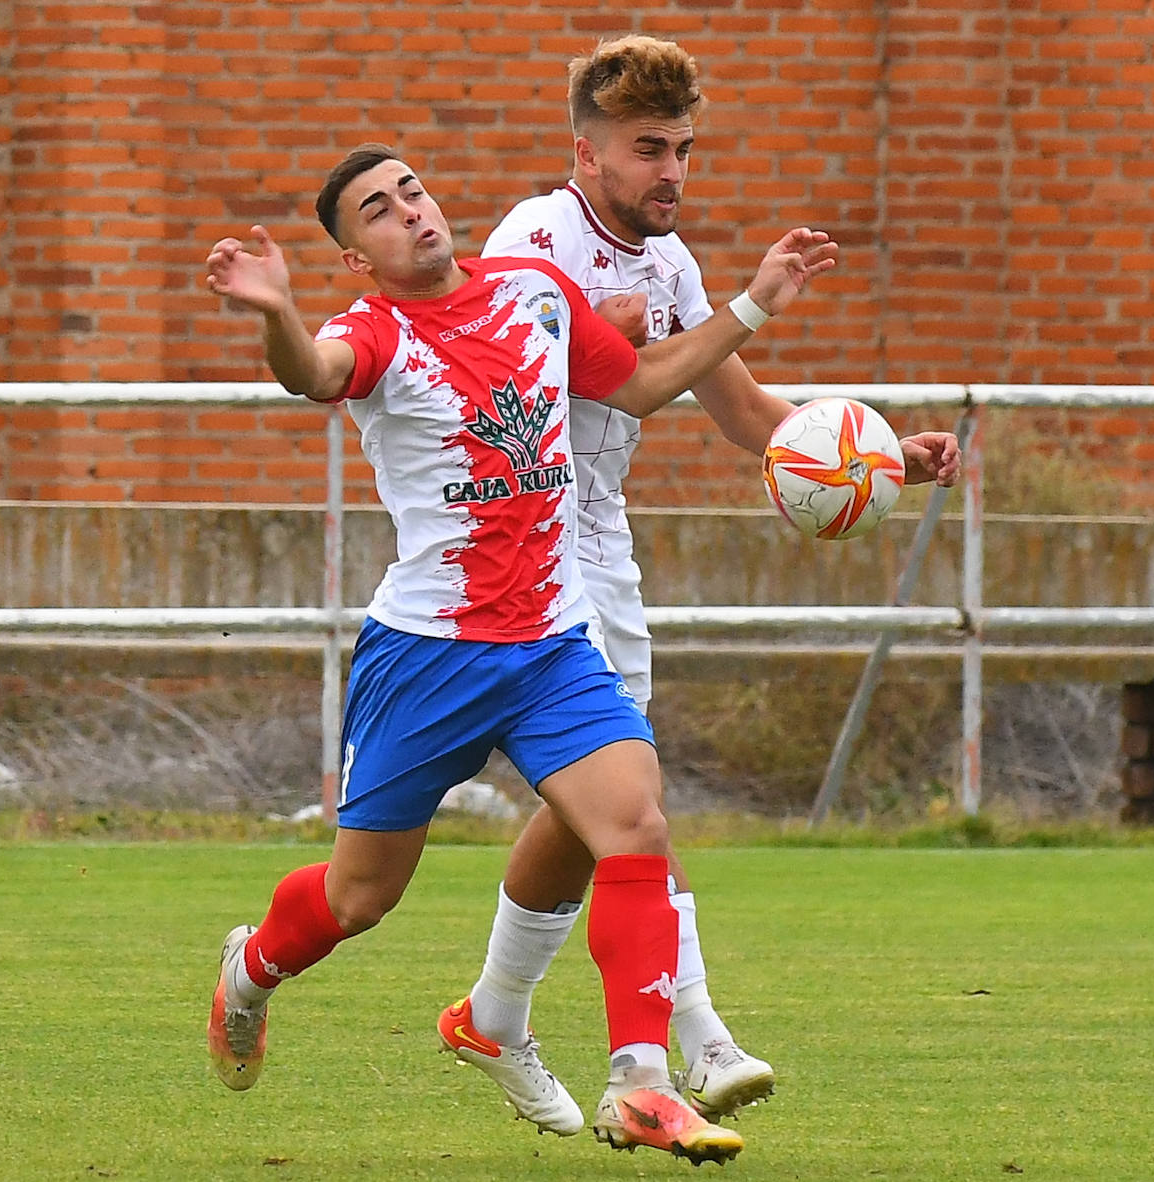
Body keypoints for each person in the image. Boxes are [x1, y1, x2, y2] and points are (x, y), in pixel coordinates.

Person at [202, 142, 838, 1165]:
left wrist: (754, 301)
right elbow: (309, 375)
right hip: (428, 658)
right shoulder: (369, 332)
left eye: (410, 189)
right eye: (376, 210)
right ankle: (252, 970)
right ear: (357, 257)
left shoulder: (534, 293)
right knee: (359, 899)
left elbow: (640, 386)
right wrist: (276, 309)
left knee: (634, 822)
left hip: (550, 645)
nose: (409, 211)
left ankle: (640, 1082)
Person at [440, 33, 962, 1133]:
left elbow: (744, 414)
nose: (671, 170)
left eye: (682, 148)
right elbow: (622, 387)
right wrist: (756, 299)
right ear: (586, 152)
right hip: (515, 539)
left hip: (600, 542)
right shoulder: (533, 239)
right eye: (647, 149)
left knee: (600, 813)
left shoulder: (670, 268)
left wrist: (872, 453)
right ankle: (699, 1034)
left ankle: (499, 1013)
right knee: (612, 803)